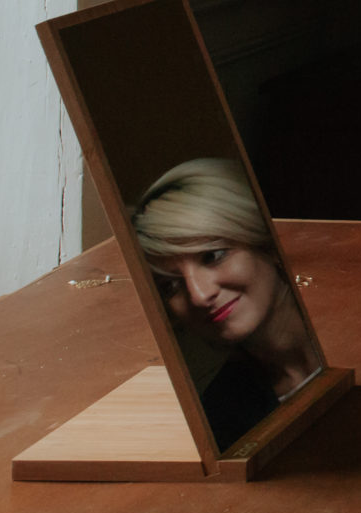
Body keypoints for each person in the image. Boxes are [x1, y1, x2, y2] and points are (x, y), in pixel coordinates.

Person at [132, 157, 323, 449]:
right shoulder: (218, 419)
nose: (198, 295)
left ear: (266, 244)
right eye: (170, 286)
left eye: (213, 256)